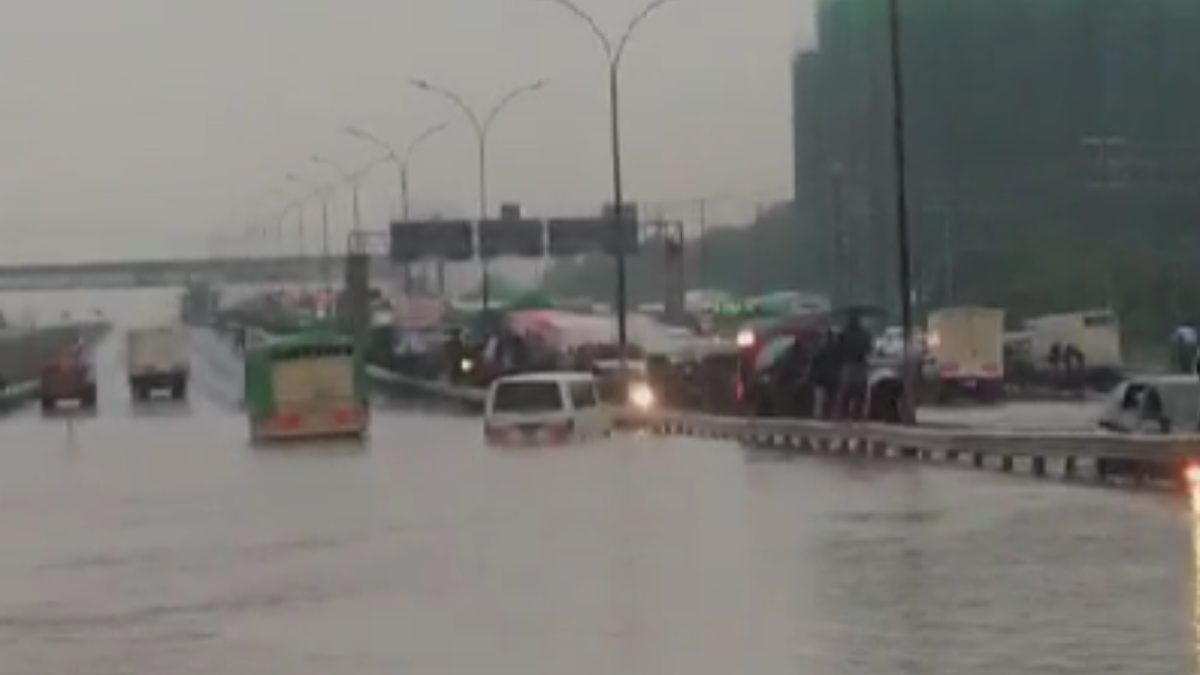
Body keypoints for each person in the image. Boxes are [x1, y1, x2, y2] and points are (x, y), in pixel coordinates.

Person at [833, 313, 873, 420]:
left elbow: (838, 350)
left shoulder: (843, 334)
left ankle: (842, 414)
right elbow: (869, 349)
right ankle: (857, 415)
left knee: (845, 393)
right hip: (860, 366)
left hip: (848, 365)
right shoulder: (865, 334)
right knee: (860, 393)